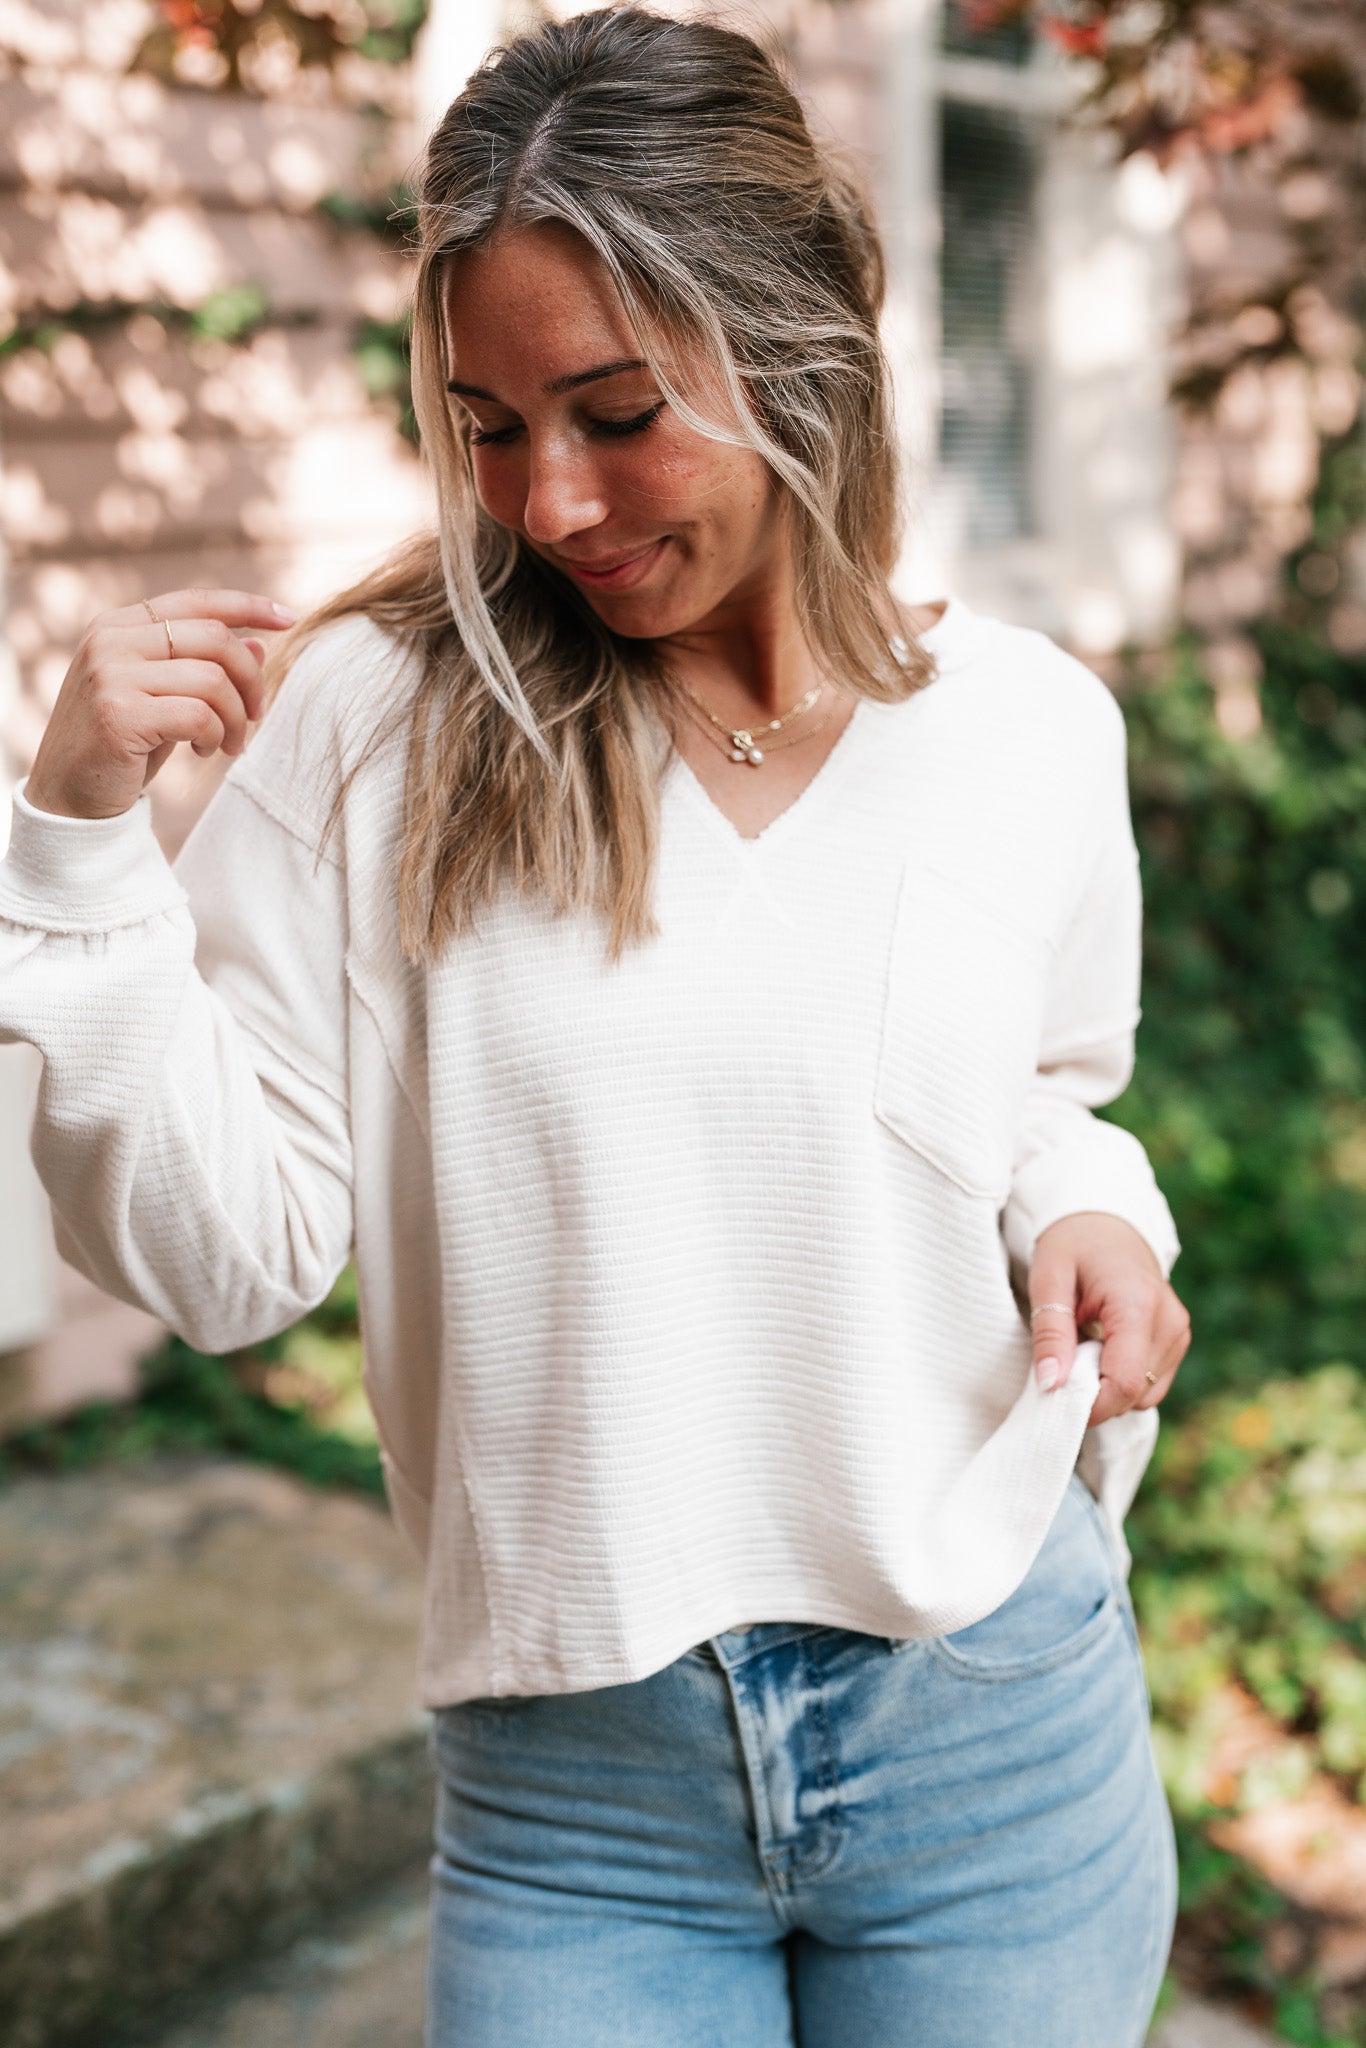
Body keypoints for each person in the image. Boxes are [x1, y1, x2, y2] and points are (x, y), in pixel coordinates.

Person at [0, 10, 1192, 2045]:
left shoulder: (1025, 731)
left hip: (995, 1732)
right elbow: (222, 1263)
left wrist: (1098, 1213)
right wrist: (74, 860)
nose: (544, 501)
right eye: (482, 422)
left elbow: (1041, 1097)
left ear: (798, 343)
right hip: (581, 1798)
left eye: (617, 410)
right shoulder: (378, 724)